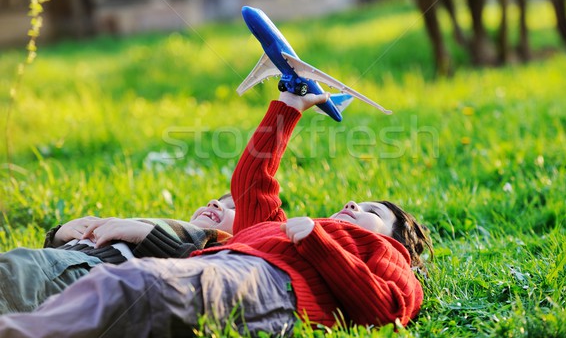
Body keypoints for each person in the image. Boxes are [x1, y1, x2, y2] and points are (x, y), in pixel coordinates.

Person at [0, 91, 432, 337]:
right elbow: (251, 182)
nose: (354, 205)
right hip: (221, 268)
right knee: (117, 286)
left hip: (268, 288)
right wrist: (288, 106)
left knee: (138, 287)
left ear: (397, 240)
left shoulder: (384, 253)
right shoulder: (277, 229)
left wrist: (319, 244)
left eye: (372, 210)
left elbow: (387, 309)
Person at [0, 194, 234, 315]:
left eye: (233, 207)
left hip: (88, 273)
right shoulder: (178, 225)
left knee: (13, 274)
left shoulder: (213, 246)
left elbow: (192, 271)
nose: (214, 203)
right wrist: (61, 235)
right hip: (62, 260)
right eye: (217, 200)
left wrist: (148, 236)